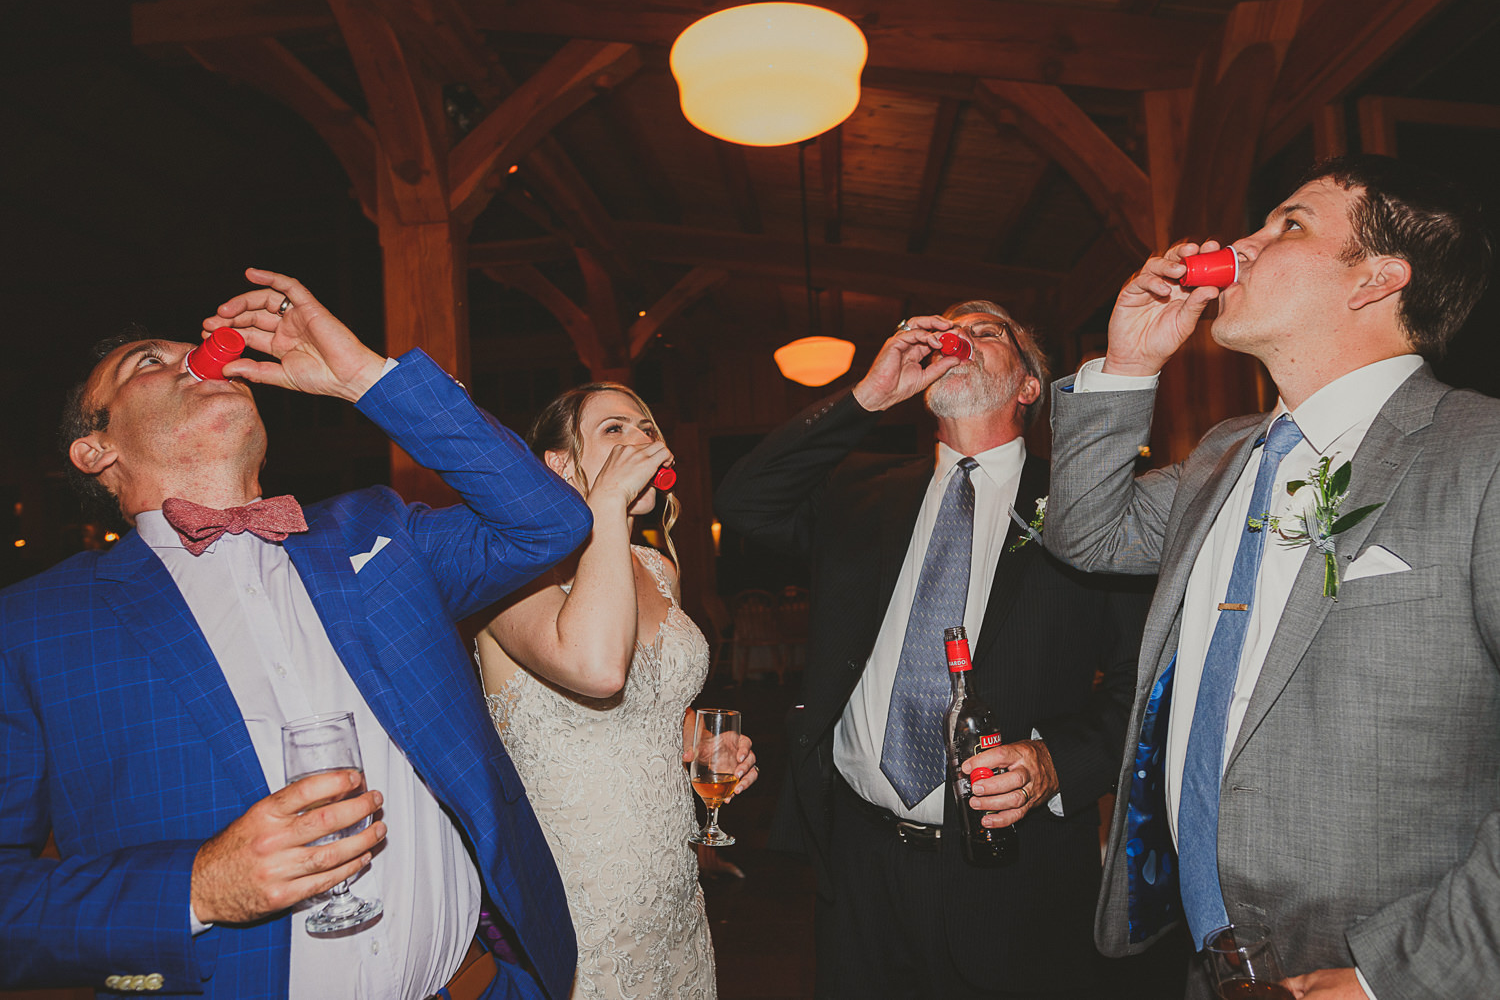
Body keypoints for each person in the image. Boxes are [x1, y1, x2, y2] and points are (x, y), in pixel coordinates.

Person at [0, 269, 592, 999]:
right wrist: (197, 888)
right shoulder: (29, 626)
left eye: (200, 347)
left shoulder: (377, 531)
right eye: (148, 362)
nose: (198, 357)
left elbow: (550, 521)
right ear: (96, 451)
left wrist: (366, 378)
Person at [1043, 154, 1499, 1000]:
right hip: (1210, 965)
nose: (1237, 246)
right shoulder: (1222, 455)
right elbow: (1086, 533)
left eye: (1287, 224)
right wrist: (1127, 365)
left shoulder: (1483, 454)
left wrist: (1392, 976)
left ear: (1376, 279)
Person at [715, 302, 1151, 999]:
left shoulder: (1086, 503)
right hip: (857, 859)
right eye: (952, 330)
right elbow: (744, 500)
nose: (961, 339)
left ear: (1030, 386)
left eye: (988, 332)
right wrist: (868, 396)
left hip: (1014, 871)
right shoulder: (861, 490)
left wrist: (1056, 761)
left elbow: (1142, 679)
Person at [475, 382, 757, 1000]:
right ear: (561, 465)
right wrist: (602, 507)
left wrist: (701, 746)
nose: (642, 440)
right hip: (580, 897)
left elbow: (646, 706)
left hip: (673, 887)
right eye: (614, 430)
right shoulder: (508, 567)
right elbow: (597, 671)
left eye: (647, 426)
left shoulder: (658, 568)